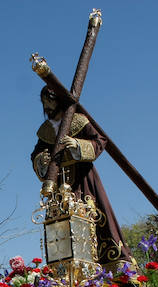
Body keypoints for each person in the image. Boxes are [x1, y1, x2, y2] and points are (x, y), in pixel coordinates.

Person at [31, 85, 129, 265]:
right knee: (61, 227)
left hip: (83, 180)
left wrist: (76, 144)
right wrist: (42, 161)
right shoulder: (45, 130)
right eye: (45, 104)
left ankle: (112, 267)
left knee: (94, 218)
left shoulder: (78, 120)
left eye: (51, 103)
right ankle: (64, 268)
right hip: (58, 185)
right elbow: (35, 155)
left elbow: (99, 140)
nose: (48, 108)